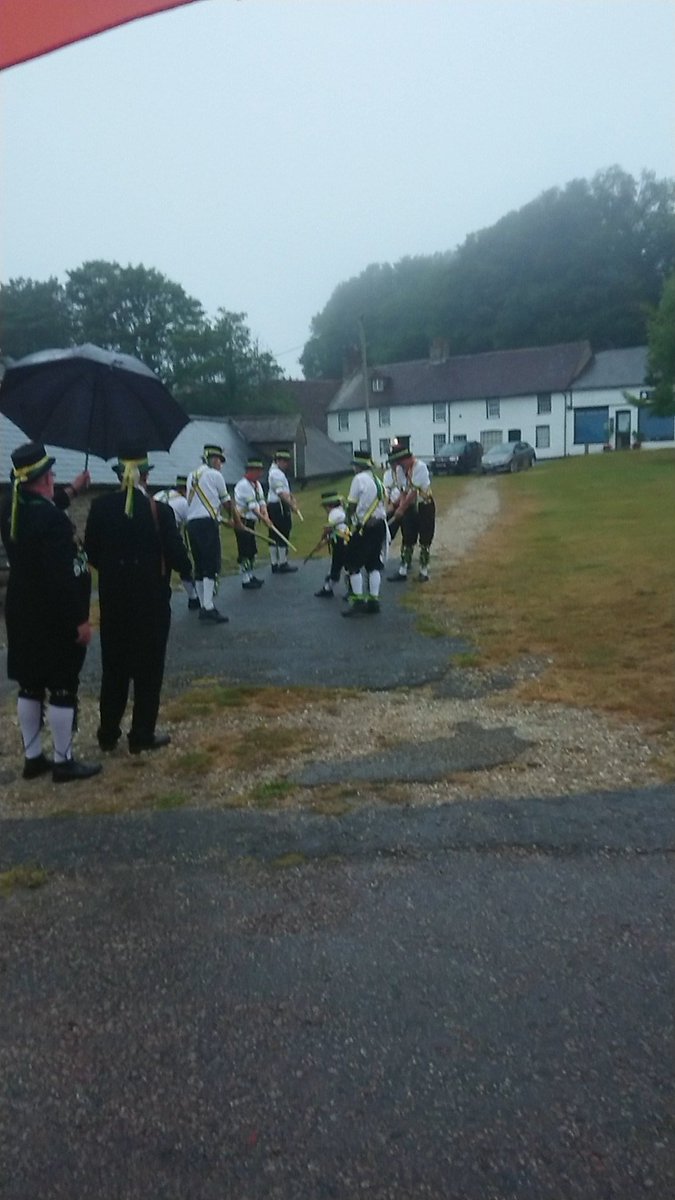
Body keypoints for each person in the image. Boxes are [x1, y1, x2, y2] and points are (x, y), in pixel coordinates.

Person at [0, 441, 101, 783]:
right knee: (61, 685)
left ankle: (33, 758)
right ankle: (63, 759)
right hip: (52, 612)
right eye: (52, 475)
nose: (55, 479)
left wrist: (73, 489)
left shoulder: (11, 508)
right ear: (43, 479)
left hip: (21, 606)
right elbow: (63, 577)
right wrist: (80, 620)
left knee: (29, 683)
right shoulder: (54, 522)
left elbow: (44, 507)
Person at [84, 445, 194, 754]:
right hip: (150, 602)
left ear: (119, 474)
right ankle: (142, 732)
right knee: (148, 669)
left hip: (114, 600)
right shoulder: (160, 511)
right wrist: (184, 567)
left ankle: (107, 733)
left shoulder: (100, 506)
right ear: (145, 475)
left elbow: (91, 550)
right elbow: (178, 557)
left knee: (114, 668)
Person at [185, 444, 234, 623]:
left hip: (192, 523)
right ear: (213, 459)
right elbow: (227, 502)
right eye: (220, 461)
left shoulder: (191, 476)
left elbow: (200, 504)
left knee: (199, 565)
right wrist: (237, 522)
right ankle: (208, 606)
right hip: (207, 524)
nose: (221, 464)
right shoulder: (215, 475)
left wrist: (222, 519)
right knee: (211, 564)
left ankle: (203, 604)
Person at [342, 451, 388, 617]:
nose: (353, 468)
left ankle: (358, 600)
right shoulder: (377, 480)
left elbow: (352, 504)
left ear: (358, 466)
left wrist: (347, 520)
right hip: (380, 525)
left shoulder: (359, 479)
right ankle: (374, 601)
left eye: (354, 465)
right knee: (373, 563)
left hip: (366, 527)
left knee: (352, 563)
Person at [387, 445, 436, 583]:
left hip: (424, 504)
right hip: (410, 506)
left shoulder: (420, 467)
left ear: (406, 459)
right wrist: (401, 508)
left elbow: (413, 493)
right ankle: (403, 569)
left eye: (399, 462)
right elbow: (403, 491)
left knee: (425, 538)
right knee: (408, 536)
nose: (397, 465)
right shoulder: (400, 469)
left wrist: (401, 509)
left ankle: (424, 571)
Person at [153, 474, 200, 610]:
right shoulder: (183, 502)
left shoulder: (159, 494)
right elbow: (191, 523)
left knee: (160, 569)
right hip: (170, 535)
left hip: (152, 536)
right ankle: (193, 598)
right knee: (184, 565)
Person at [232, 458, 268, 590]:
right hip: (242, 521)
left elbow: (261, 502)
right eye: (257, 471)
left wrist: (266, 516)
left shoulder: (257, 485)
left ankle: (251, 575)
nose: (260, 474)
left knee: (252, 550)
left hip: (251, 521)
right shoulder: (243, 485)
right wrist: (264, 520)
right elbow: (253, 507)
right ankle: (245, 579)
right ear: (250, 471)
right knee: (244, 550)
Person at [266, 448, 299, 574]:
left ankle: (275, 563)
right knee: (282, 532)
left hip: (275, 505)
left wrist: (292, 498)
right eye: (284, 461)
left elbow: (285, 491)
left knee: (274, 534)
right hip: (279, 506)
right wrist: (292, 505)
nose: (287, 464)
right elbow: (281, 493)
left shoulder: (275, 472)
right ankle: (282, 562)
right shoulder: (276, 474)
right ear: (278, 461)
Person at [314, 491, 351, 599]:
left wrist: (322, 541)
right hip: (343, 540)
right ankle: (328, 588)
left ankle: (351, 590)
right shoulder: (341, 511)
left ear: (329, 505)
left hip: (341, 542)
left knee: (341, 566)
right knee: (338, 566)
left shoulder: (334, 514)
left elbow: (328, 530)